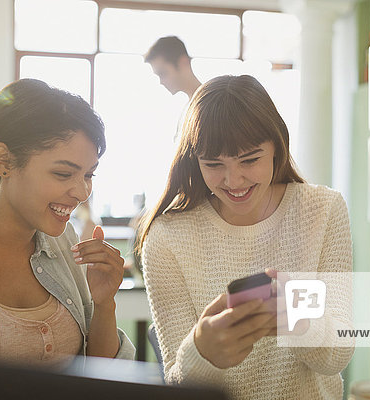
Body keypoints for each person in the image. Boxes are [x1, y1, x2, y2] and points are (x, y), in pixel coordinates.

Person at [138, 75, 354, 399]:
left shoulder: (322, 210)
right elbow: (178, 382)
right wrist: (202, 351)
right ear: (194, 161)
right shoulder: (167, 238)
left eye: (249, 160)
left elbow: (339, 354)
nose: (233, 180)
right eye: (214, 164)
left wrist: (300, 320)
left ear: (277, 147)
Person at [0, 79, 135, 368]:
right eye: (62, 174)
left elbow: (102, 377)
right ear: (4, 160)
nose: (82, 193)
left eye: (89, 175)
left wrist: (104, 304)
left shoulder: (66, 243)